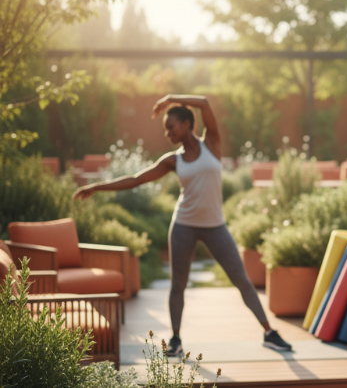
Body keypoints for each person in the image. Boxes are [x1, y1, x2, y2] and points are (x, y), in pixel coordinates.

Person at [73, 94, 292, 355]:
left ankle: (269, 332)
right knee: (178, 284)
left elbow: (205, 103)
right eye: (166, 128)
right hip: (184, 226)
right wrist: (96, 187)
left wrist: (171, 98)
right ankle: (176, 339)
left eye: (171, 126)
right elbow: (135, 179)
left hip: (215, 226)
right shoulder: (172, 160)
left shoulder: (212, 143)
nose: (167, 133)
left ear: (188, 123)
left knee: (242, 280)